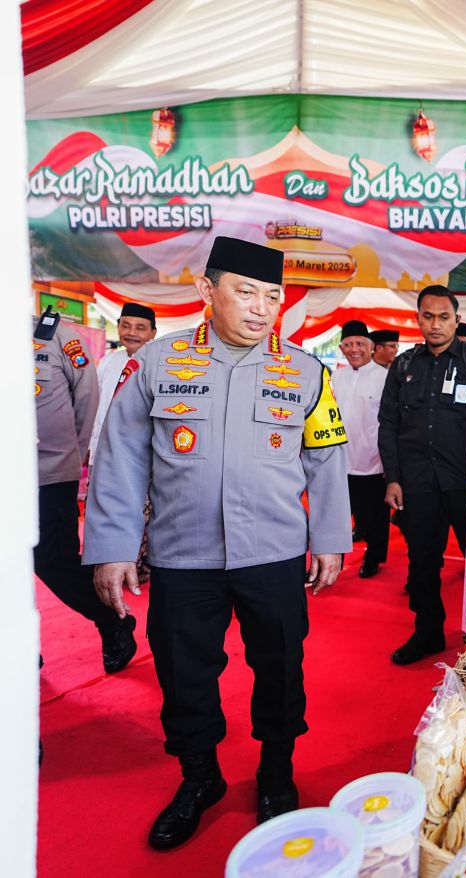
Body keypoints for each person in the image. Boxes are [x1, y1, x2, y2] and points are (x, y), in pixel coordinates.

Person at [84, 236, 351, 849]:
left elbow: (327, 459)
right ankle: (199, 777)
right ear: (208, 290)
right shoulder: (158, 364)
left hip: (273, 555)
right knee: (183, 674)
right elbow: (120, 459)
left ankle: (276, 772)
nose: (261, 308)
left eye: (273, 296)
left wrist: (331, 536)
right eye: (246, 292)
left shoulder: (306, 372)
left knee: (280, 667)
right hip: (183, 556)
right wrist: (113, 545)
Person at [378, 285, 466, 665]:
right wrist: (392, 478)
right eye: (428, 316)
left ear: (456, 319)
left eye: (444, 317)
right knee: (422, 563)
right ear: (418, 318)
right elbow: (388, 424)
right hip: (417, 483)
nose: (436, 324)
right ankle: (427, 632)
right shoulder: (404, 365)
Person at [34, 312, 137, 673]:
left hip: (46, 474)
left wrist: (67, 455)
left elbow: (87, 400)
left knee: (53, 560)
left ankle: (111, 619)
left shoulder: (58, 337)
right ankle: (18, 646)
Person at [332, 320, 390, 578]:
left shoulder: (384, 377)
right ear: (341, 348)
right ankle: (333, 560)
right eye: (348, 344)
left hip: (373, 460)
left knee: (375, 515)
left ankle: (373, 557)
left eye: (359, 343)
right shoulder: (337, 376)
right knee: (339, 514)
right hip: (340, 460)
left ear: (370, 346)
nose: (353, 349)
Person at [89, 302, 157, 463]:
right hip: (100, 448)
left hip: (137, 454)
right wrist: (90, 444)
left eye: (140, 328)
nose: (131, 333)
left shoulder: (158, 364)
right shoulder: (108, 360)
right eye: (125, 326)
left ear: (153, 333)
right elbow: (96, 405)